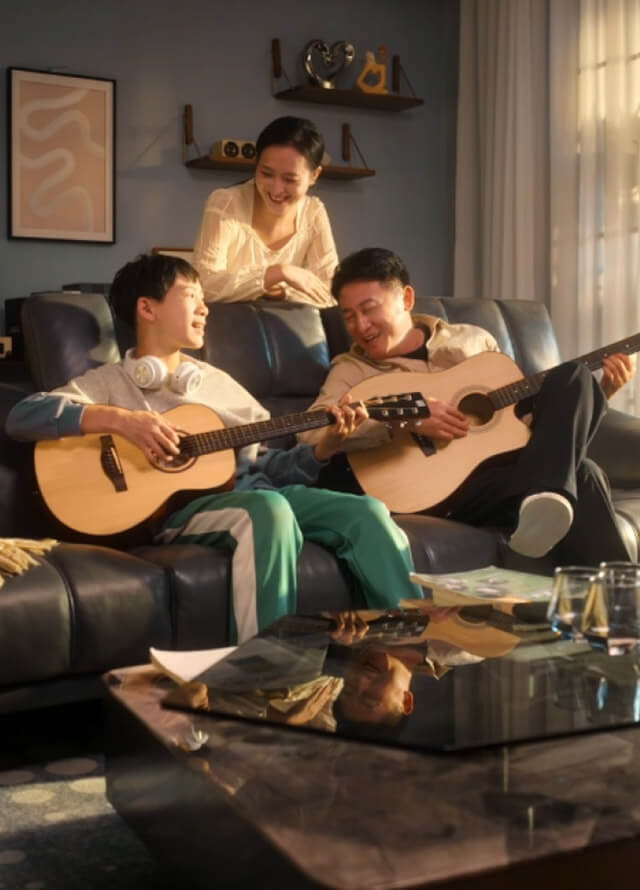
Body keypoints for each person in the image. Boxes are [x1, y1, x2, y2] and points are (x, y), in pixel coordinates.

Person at [5, 254, 425, 643]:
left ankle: (410, 648)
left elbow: (269, 468)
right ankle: (264, 669)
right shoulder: (110, 383)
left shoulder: (218, 383)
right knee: (267, 510)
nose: (205, 309)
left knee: (367, 513)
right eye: (192, 297)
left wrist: (326, 446)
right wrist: (123, 419)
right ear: (147, 308)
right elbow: (23, 416)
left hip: (256, 493)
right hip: (180, 510)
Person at [298, 247, 635, 564]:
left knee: (575, 375)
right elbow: (311, 432)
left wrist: (600, 393)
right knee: (583, 474)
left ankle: (553, 507)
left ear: (407, 298)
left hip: (502, 471)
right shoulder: (351, 369)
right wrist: (406, 418)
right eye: (349, 316)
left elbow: (524, 422)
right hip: (435, 490)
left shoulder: (472, 340)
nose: (360, 326)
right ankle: (555, 503)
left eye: (369, 309)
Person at [192, 116, 338, 307]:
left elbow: (329, 295)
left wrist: (280, 291)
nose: (276, 190)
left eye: (290, 179)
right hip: (227, 322)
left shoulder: (313, 212)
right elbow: (204, 285)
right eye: (266, 174)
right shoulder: (225, 203)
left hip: (288, 323)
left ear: (314, 176)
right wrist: (281, 272)